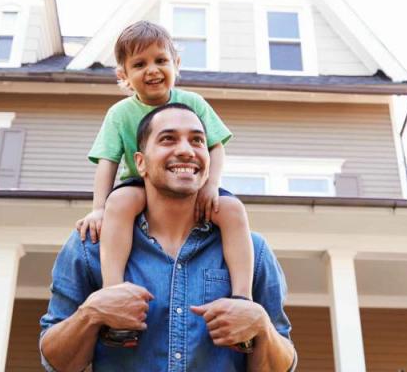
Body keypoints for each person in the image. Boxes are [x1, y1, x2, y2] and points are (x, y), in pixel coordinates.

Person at [41, 104, 297, 371]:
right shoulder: (90, 246)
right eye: (168, 139)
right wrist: (91, 314)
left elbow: (283, 364)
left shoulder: (252, 250)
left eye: (197, 140)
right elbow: (55, 363)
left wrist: (262, 326)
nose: (186, 150)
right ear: (140, 162)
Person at [74, 21, 256, 345]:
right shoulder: (119, 114)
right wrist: (99, 209)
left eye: (161, 60)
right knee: (121, 203)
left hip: (191, 182)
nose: (152, 70)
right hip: (140, 183)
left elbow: (215, 146)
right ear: (123, 75)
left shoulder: (194, 103)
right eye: (139, 64)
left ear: (176, 65)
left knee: (232, 209)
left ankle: (242, 301)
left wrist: (212, 185)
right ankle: (114, 296)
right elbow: (107, 163)